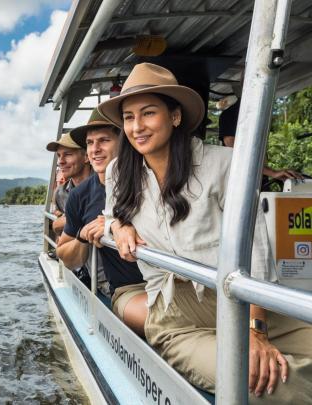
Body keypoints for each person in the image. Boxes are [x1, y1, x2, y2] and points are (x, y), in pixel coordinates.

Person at [99, 62, 312, 401]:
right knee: (262, 381)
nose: (137, 126)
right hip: (171, 311)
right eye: (128, 117)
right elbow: (110, 212)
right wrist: (117, 225)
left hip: (232, 297)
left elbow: (255, 251)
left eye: (148, 113)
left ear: (175, 116)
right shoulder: (118, 171)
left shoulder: (224, 163)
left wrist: (256, 331)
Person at [56, 109, 145, 334]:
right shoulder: (80, 195)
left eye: (104, 140)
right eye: (90, 143)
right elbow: (64, 255)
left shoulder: (146, 179)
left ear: (122, 143)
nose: (95, 149)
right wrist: (83, 236)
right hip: (127, 290)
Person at [219, 99, 304, 188]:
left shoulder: (257, 112)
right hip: (241, 184)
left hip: (259, 178)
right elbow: (234, 150)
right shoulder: (231, 114)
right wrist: (272, 173)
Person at [45, 132, 91, 236]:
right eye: (59, 155)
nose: (60, 161)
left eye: (68, 154)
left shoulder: (104, 186)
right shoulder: (60, 193)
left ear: (86, 157)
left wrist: (66, 219)